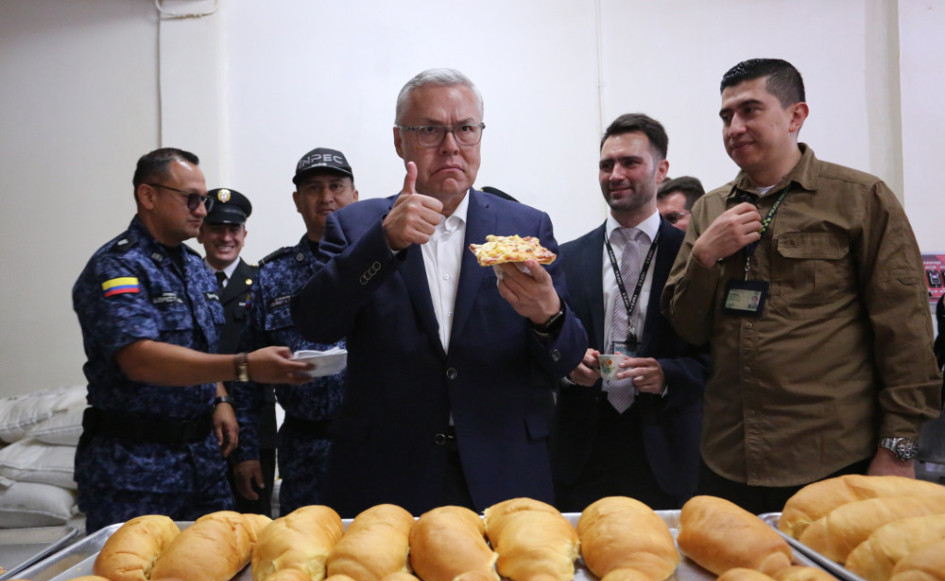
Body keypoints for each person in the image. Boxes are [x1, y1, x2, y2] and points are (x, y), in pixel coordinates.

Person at [290, 68, 587, 517]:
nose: (451, 145)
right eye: (430, 130)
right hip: (386, 474)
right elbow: (313, 321)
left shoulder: (526, 227)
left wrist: (550, 315)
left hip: (504, 470)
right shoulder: (356, 227)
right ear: (399, 141)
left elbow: (564, 361)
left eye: (465, 129)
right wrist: (384, 242)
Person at [661, 58, 941, 514]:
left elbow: (905, 333)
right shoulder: (709, 210)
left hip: (832, 454)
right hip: (729, 456)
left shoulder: (859, 198)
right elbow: (688, 328)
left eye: (750, 109)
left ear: (796, 116)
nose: (735, 126)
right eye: (726, 116)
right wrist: (704, 256)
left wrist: (898, 448)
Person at [72, 147, 312, 533]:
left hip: (203, 462)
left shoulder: (192, 267)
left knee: (217, 569)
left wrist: (219, 396)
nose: (202, 210)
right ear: (148, 196)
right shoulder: (117, 267)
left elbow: (200, 348)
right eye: (192, 199)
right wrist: (244, 366)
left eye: (202, 200)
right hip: (136, 469)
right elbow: (140, 358)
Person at [552, 114, 709, 512]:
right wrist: (568, 367)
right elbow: (542, 345)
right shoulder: (568, 257)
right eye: (607, 165)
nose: (615, 174)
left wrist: (668, 375)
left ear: (661, 170)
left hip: (667, 447)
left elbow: (722, 354)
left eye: (630, 163)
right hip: (583, 449)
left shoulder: (695, 255)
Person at [231, 148, 358, 516]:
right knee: (301, 553)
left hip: (376, 443)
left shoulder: (385, 264)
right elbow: (248, 374)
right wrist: (248, 453)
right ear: (297, 200)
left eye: (336, 186)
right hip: (304, 447)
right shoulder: (272, 275)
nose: (326, 197)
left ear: (355, 195)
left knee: (377, 551)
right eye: (314, 188)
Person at [197, 188, 278, 515]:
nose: (226, 237)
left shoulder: (262, 282)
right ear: (201, 232)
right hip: (196, 427)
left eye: (234, 230)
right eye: (217, 228)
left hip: (253, 429)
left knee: (254, 526)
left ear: (244, 235)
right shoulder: (184, 281)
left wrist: (251, 449)